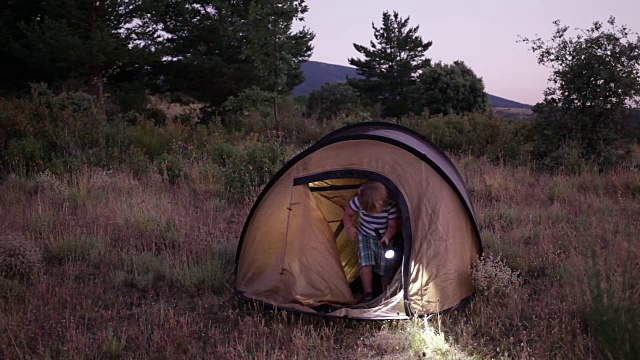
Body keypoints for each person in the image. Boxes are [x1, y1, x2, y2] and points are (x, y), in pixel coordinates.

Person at [343, 181, 399, 302]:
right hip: (364, 236)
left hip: (383, 238)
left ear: (382, 202)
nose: (372, 212)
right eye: (368, 210)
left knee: (385, 267)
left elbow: (393, 226)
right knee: (365, 262)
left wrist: (388, 236)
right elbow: (347, 214)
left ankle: (386, 293)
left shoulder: (390, 206)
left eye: (374, 210)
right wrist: (349, 228)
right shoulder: (358, 201)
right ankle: (368, 293)